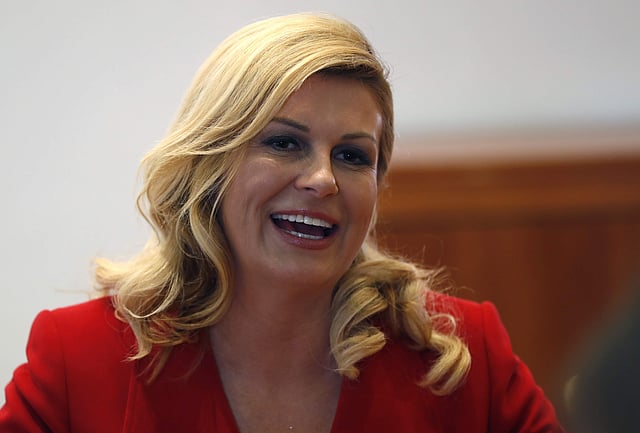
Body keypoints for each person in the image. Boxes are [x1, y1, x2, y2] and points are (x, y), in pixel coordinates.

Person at [0, 12, 564, 433]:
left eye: (352, 156)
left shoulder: (460, 357)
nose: (322, 179)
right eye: (284, 143)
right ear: (210, 163)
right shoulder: (79, 359)